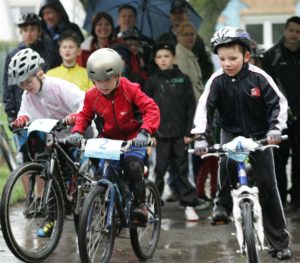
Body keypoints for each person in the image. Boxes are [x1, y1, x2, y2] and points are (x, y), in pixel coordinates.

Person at [191, 26, 292, 260]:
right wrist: (201, 137)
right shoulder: (216, 81)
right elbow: (204, 109)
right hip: (230, 132)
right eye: (222, 59)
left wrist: (275, 129)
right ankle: (222, 205)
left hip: (260, 135)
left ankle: (279, 243)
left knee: (268, 186)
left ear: (247, 56)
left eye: (233, 58)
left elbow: (279, 103)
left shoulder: (259, 77)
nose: (227, 63)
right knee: (225, 163)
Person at [65, 48, 160, 224]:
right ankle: (104, 203)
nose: (103, 85)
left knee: (133, 167)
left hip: (133, 139)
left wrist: (145, 132)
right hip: (108, 140)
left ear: (118, 75)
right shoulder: (92, 95)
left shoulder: (130, 89)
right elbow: (84, 116)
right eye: (98, 81)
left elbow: (151, 109)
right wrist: (77, 132)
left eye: (107, 79)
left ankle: (140, 206)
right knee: (101, 173)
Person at [8, 47, 85, 237]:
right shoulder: (28, 95)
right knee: (47, 168)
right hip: (56, 136)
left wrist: (77, 115)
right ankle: (51, 218)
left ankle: (91, 205)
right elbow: (24, 114)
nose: (26, 87)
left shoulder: (59, 87)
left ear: (40, 74)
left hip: (78, 132)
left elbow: (85, 101)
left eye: (28, 81)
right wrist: (21, 120)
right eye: (21, 84)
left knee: (81, 168)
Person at [144, 41, 209, 221]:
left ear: (174, 58)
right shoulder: (152, 81)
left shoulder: (183, 79)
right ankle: (153, 205)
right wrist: (150, 133)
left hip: (181, 136)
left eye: (166, 56)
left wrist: (190, 132)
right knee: (158, 171)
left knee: (183, 171)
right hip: (159, 136)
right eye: (159, 57)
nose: (163, 60)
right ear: (155, 60)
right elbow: (146, 109)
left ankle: (188, 204)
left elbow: (191, 107)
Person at [2, 12, 56, 165]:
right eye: (25, 30)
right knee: (25, 158)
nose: (29, 33)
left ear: (39, 31)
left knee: (44, 158)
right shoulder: (12, 54)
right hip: (22, 112)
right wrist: (11, 113)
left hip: (43, 112)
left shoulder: (46, 52)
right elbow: (7, 86)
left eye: (33, 29)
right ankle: (29, 190)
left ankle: (43, 189)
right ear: (21, 32)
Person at [262, 16, 300, 210]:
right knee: (279, 159)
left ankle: (297, 199)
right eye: (292, 30)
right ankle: (280, 199)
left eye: (298, 31)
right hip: (280, 118)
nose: (295, 35)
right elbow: (266, 90)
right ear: (285, 30)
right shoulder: (271, 56)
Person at [157, 0, 213, 83]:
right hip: (169, 85)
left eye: (180, 12)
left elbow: (207, 63)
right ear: (170, 16)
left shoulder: (197, 39)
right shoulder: (162, 39)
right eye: (174, 13)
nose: (177, 15)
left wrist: (196, 76)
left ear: (187, 15)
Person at [38, 0, 84, 67]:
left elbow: (82, 53)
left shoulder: (73, 29)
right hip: (47, 74)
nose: (46, 17)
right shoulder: (40, 33)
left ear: (59, 12)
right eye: (44, 14)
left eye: (49, 12)